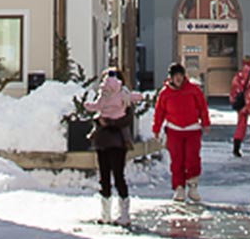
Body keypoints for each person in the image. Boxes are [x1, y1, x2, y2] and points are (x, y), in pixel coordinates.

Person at [84, 68, 143, 225]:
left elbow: (127, 118)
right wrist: (100, 120)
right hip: (105, 141)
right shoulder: (105, 95)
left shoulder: (124, 96)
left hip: (116, 141)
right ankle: (107, 213)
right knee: (105, 177)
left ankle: (122, 213)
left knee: (117, 176)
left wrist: (107, 122)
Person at [152, 63, 210, 202]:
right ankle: (179, 187)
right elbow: (159, 112)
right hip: (174, 130)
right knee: (177, 160)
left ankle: (192, 186)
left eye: (180, 76)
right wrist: (156, 127)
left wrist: (205, 122)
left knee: (192, 158)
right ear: (171, 77)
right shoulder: (165, 93)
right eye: (175, 76)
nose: (178, 79)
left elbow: (202, 107)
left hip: (192, 129)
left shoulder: (193, 90)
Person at [229, 56, 250, 157]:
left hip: (242, 104)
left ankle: (236, 148)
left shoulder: (238, 75)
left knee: (241, 125)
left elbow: (234, 89)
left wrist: (234, 102)